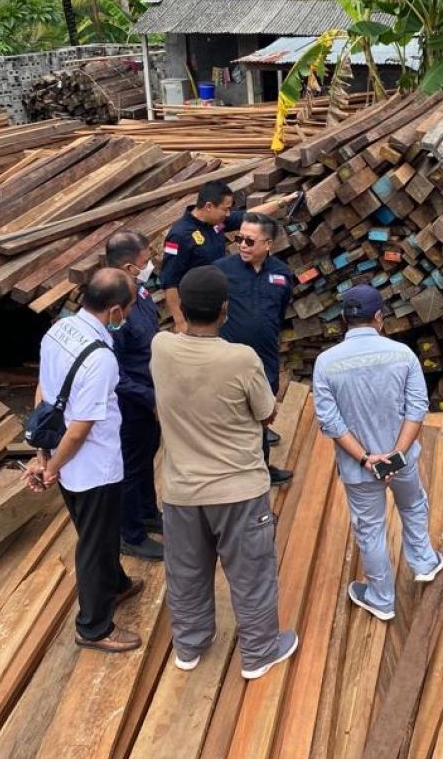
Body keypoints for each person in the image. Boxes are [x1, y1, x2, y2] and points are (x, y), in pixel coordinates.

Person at [150, 265, 299, 677]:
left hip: (181, 490)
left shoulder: (161, 347)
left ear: (180, 305)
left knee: (186, 571)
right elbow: (267, 413)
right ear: (225, 310)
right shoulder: (241, 358)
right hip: (239, 490)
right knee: (251, 572)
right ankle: (259, 652)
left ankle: (190, 646)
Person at [23, 268, 143, 653]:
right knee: (95, 543)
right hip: (93, 467)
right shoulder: (101, 358)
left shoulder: (57, 330)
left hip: (66, 459)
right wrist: (52, 468)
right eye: (127, 307)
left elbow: (44, 394)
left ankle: (117, 584)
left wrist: (44, 457)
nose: (127, 314)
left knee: (96, 534)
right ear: (112, 310)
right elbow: (80, 428)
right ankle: (94, 627)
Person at [311, 285, 443, 622]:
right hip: (403, 461)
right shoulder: (403, 355)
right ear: (380, 318)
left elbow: (330, 421)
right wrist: (396, 454)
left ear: (344, 319)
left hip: (360, 469)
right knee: (412, 504)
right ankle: (424, 562)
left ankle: (382, 598)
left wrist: (366, 458)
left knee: (370, 529)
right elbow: (417, 408)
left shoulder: (325, 363)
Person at [215, 213, 295, 486]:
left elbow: (281, 311)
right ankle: (228, 471)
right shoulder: (221, 270)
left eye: (250, 240)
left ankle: (261, 468)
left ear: (268, 244)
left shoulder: (282, 274)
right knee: (228, 414)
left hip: (265, 358)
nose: (243, 245)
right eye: (239, 239)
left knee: (262, 413)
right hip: (228, 360)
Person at [159, 181, 299, 334]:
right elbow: (169, 282)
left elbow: (250, 215)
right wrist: (180, 322)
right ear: (209, 206)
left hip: (220, 306)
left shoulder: (217, 221)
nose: (227, 214)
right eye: (225, 209)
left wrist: (283, 201)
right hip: (198, 310)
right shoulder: (179, 235)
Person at [105, 230, 164, 562]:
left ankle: (147, 511)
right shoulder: (113, 311)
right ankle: (131, 533)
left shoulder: (139, 291)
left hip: (149, 395)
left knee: (146, 457)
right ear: (128, 266)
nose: (149, 265)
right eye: (145, 262)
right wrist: (148, 398)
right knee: (129, 466)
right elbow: (113, 373)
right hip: (130, 403)